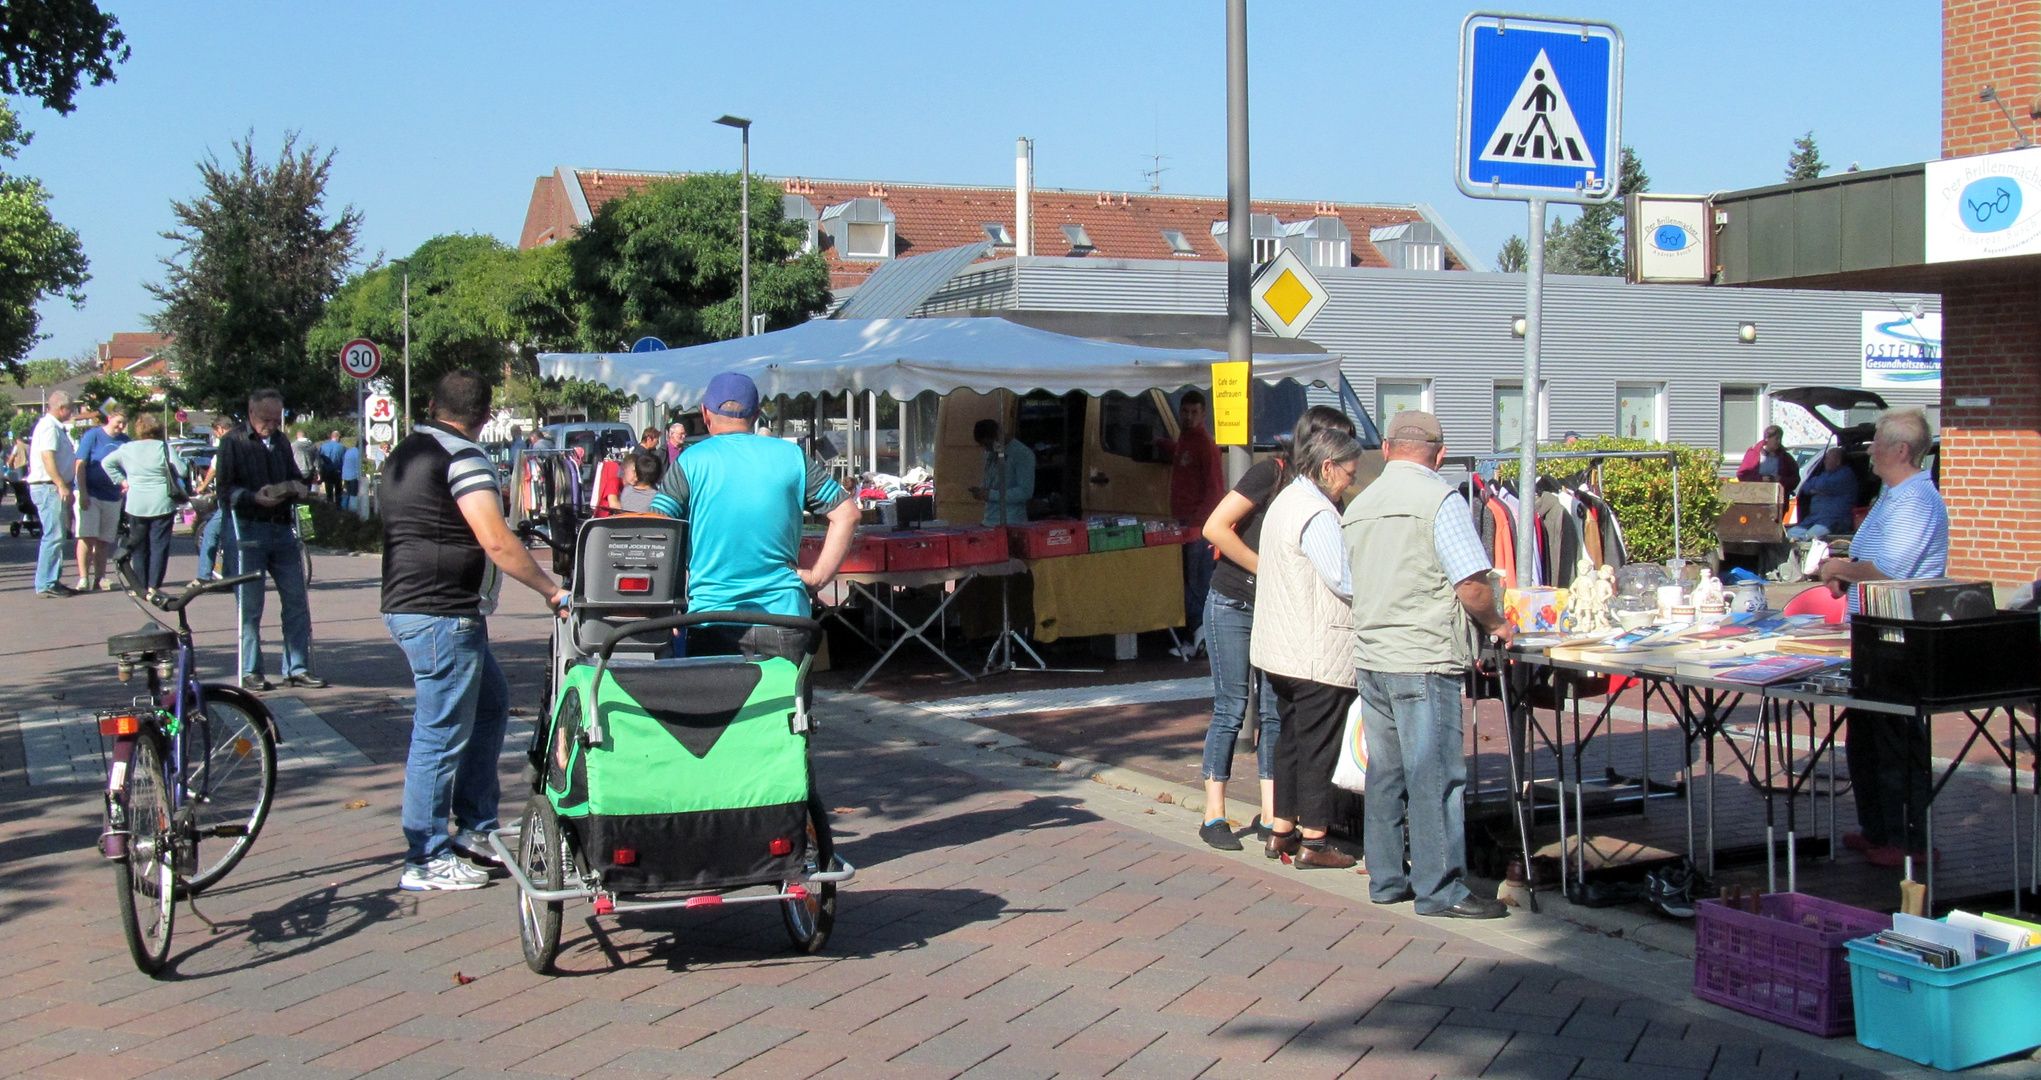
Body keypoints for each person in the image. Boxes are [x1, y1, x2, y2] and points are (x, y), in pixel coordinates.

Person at [382, 370, 573, 892]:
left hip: (413, 603)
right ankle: (424, 856)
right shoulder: (464, 458)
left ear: (430, 403)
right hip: (443, 612)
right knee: (439, 734)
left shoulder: (407, 450)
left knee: (489, 705)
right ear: (485, 416)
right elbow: (496, 539)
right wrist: (550, 590)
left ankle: (474, 829)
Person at [1344, 410, 1513, 920]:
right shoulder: (1440, 500)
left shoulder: (1359, 503)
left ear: (1389, 449)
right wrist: (1498, 623)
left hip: (1372, 654)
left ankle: (1387, 878)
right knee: (1435, 775)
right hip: (1422, 654)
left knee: (1386, 773)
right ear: (1439, 455)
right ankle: (1441, 888)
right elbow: (1471, 584)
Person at [1196, 405, 1356, 851]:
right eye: (1334, 440)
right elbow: (1215, 527)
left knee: (1275, 712)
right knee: (1231, 705)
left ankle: (1273, 815)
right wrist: (1266, 570)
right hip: (1233, 599)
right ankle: (1214, 814)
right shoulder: (1272, 474)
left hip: (1279, 614)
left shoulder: (1327, 494)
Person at [649, 372, 861, 657]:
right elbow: (847, 515)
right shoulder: (792, 457)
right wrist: (817, 577)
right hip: (784, 617)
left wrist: (663, 603)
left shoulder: (690, 461)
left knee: (717, 703)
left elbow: (657, 528)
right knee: (786, 702)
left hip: (711, 617)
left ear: (705, 413)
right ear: (757, 415)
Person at [1816, 408, 1947, 869]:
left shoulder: (1915, 500)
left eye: (1877, 442)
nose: (1868, 450)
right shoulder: (1893, 496)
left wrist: (1839, 569)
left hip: (1901, 636)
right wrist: (1844, 574)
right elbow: (1869, 558)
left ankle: (1904, 836)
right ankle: (1877, 828)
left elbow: (1890, 569)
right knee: (1866, 738)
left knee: (1894, 741)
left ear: (1901, 450)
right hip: (1872, 631)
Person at [1249, 426, 1366, 870]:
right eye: (1348, 474)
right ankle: (1314, 841)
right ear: (1328, 467)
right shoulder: (1316, 512)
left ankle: (1281, 829)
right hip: (1313, 647)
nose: (1350, 483)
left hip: (1283, 647)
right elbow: (1344, 579)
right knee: (1317, 743)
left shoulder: (1286, 500)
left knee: (1292, 739)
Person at [214, 389, 323, 691]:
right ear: (250, 413)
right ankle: (252, 670)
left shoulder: (281, 441)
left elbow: (290, 474)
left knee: (296, 599)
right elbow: (224, 490)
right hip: (249, 528)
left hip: (282, 528)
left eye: (277, 419)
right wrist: (252, 497)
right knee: (250, 605)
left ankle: (297, 667)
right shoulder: (232, 441)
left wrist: (299, 488)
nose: (272, 425)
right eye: (266, 419)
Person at [1157, 390, 1225, 634]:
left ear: (1204, 414)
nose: (1188, 416)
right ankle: (1195, 633)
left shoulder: (1206, 445)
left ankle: (1203, 635)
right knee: (1186, 578)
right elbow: (1181, 455)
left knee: (1198, 581)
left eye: (1194, 412)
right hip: (1182, 522)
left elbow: (1216, 491)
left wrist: (1197, 526)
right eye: (1185, 412)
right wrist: (1160, 444)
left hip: (1197, 526)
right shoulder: (1185, 440)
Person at [102, 414, 189, 599]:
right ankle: (154, 586)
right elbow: (182, 470)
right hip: (162, 502)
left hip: (136, 503)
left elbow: (106, 462)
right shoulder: (164, 448)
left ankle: (139, 586)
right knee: (159, 545)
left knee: (139, 545)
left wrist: (122, 480)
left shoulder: (127, 448)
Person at [73, 406, 130, 591]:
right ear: (109, 418)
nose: (120, 427)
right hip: (91, 493)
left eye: (124, 423)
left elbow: (130, 467)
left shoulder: (125, 441)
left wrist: (126, 485)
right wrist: (82, 493)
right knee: (87, 536)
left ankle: (100, 577)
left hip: (112, 495)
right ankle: (83, 577)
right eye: (118, 422)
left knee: (104, 540)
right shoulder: (93, 436)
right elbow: (80, 464)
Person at [28, 390, 79, 598]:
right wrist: (61, 484)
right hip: (48, 486)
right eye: (70, 408)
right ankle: (46, 582)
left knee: (56, 534)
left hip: (51, 485)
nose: (72, 412)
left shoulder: (53, 427)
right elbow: (47, 457)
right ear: (62, 408)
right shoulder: (49, 427)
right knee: (54, 535)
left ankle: (51, 579)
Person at [192, 415, 236, 584]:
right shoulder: (243, 439)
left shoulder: (226, 443)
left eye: (215, 432)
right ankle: (230, 574)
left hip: (229, 496)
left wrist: (202, 487)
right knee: (232, 533)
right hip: (244, 495)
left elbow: (213, 469)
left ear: (220, 429)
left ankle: (204, 575)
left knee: (211, 532)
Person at [968, 419, 1034, 527]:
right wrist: (981, 491)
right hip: (989, 520)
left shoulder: (1022, 454)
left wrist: (991, 495)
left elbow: (1025, 492)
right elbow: (990, 480)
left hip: (1012, 522)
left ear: (997, 437)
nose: (986, 449)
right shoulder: (989, 453)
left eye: (987, 444)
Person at [1788, 448, 1857, 540]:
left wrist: (1816, 489)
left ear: (1838, 461)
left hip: (1832, 521)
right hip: (1814, 519)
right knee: (1791, 533)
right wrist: (1817, 490)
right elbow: (1806, 487)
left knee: (1811, 537)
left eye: (1828, 458)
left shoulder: (1845, 475)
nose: (1824, 461)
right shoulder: (1825, 474)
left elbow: (1824, 485)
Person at [1736, 424, 1802, 497]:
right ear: (1767, 438)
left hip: (1777, 500)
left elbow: (1795, 479)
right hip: (1755, 498)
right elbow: (1742, 475)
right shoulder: (1754, 454)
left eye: (1780, 439)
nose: (1779, 441)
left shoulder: (1785, 458)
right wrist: (1761, 478)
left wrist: (1781, 479)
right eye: (1776, 439)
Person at [318, 430, 346, 502]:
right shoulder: (341, 447)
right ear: (337, 437)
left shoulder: (323, 446)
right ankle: (338, 507)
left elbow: (319, 459)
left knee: (329, 491)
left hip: (327, 471)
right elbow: (344, 460)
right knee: (338, 492)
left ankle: (329, 506)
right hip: (337, 471)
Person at [340, 439, 363, 511]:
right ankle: (353, 511)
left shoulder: (349, 451)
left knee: (346, 493)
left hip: (345, 475)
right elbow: (358, 466)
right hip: (354, 476)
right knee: (353, 495)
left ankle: (343, 508)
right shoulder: (358, 453)